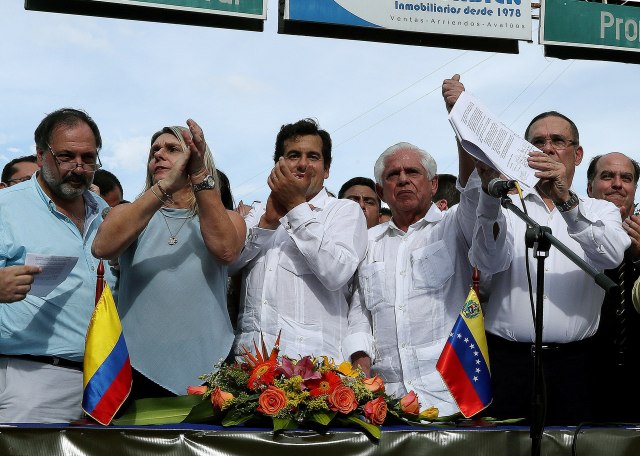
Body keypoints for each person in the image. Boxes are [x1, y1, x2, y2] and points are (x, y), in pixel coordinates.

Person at [344, 75, 506, 415]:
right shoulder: (367, 241)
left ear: (433, 184)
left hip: (451, 396)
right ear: (382, 189)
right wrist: (361, 370)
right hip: (386, 401)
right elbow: (360, 313)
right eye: (393, 175)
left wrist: (459, 115)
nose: (402, 179)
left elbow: (471, 190)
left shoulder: (453, 224)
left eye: (412, 172)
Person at [473, 112, 630, 424]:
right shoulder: (509, 203)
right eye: (538, 142)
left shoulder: (601, 209)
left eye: (558, 141)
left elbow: (610, 256)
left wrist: (566, 202)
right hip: (507, 363)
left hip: (575, 366)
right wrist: (489, 197)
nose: (548, 148)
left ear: (577, 154)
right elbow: (487, 262)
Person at [92, 120, 245, 399]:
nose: (159, 154)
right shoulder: (128, 215)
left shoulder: (229, 219)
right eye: (154, 151)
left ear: (197, 158)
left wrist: (198, 174)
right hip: (134, 364)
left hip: (210, 362)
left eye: (172, 148)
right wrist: (163, 189)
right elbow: (103, 247)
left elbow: (226, 250)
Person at [0, 108, 116, 423]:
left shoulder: (105, 213)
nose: (78, 168)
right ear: (40, 155)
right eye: (66, 156)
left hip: (104, 386)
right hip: (30, 381)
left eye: (88, 158)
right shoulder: (6, 208)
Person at [229, 118, 368, 362]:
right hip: (249, 366)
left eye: (313, 157)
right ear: (278, 165)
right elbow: (228, 264)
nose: (303, 164)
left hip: (315, 370)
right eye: (293, 155)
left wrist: (295, 206)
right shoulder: (258, 212)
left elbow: (336, 272)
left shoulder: (344, 210)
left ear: (326, 169)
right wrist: (267, 224)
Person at [586, 152, 640, 422]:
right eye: (607, 176)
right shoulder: (569, 235)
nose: (617, 184)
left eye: (626, 178)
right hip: (582, 381)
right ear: (589, 188)